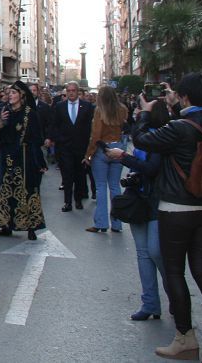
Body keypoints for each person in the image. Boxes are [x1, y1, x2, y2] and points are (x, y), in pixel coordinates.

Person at [134, 73, 202, 361]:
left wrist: (145, 112)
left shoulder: (179, 128)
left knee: (176, 271)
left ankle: (185, 337)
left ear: (186, 97)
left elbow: (141, 140)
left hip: (177, 208)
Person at [106, 98, 171, 321]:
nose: (140, 113)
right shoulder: (146, 138)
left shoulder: (162, 137)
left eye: (145, 111)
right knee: (143, 253)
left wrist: (123, 157)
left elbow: (152, 168)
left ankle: (176, 296)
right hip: (140, 196)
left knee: (155, 251)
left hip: (157, 199)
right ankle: (150, 303)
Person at [0, 80, 46, 240]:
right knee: (3, 190)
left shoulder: (30, 113)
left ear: (21, 96)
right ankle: (5, 225)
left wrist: (39, 161)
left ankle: (30, 226)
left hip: (25, 156)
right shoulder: (3, 111)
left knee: (27, 190)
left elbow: (37, 138)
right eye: (9, 93)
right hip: (5, 156)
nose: (10, 95)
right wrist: (0, 121)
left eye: (14, 93)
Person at [83, 85, 129, 233]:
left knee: (101, 187)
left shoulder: (99, 111)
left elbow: (95, 135)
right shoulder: (122, 109)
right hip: (117, 148)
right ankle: (117, 223)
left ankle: (101, 223)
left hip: (103, 150)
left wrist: (88, 155)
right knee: (115, 187)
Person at [48, 81, 94, 212]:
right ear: (66, 92)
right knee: (67, 175)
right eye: (68, 91)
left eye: (73, 90)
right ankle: (67, 202)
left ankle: (78, 200)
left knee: (79, 175)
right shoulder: (60, 106)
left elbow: (90, 127)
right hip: (65, 147)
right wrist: (54, 138)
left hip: (81, 147)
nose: (71, 93)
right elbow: (54, 124)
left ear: (78, 92)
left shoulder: (87, 106)